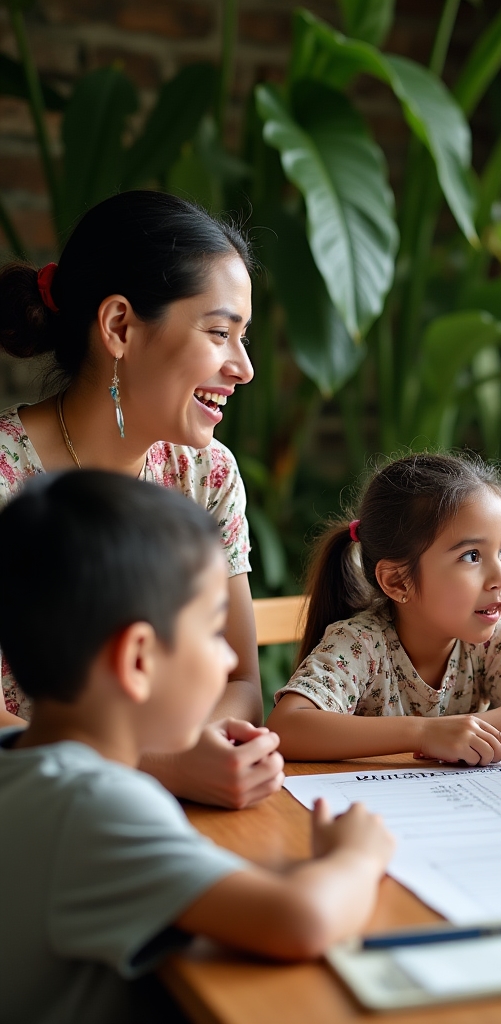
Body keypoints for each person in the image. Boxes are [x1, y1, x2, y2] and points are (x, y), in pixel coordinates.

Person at [0, 471, 394, 1024]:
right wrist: (357, 856)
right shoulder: (94, 806)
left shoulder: (19, 757)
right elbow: (298, 921)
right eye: (212, 634)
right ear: (138, 660)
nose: (230, 661)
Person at [0, 190, 283, 809]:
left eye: (244, 337)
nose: (244, 367)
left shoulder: (206, 474)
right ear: (120, 327)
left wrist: (199, 754)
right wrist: (162, 764)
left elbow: (239, 680)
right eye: (219, 332)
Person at [267, 452, 501, 763]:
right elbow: (285, 728)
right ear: (398, 582)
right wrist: (425, 734)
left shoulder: (498, 631)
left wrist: (459, 733)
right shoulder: (362, 645)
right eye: (472, 556)